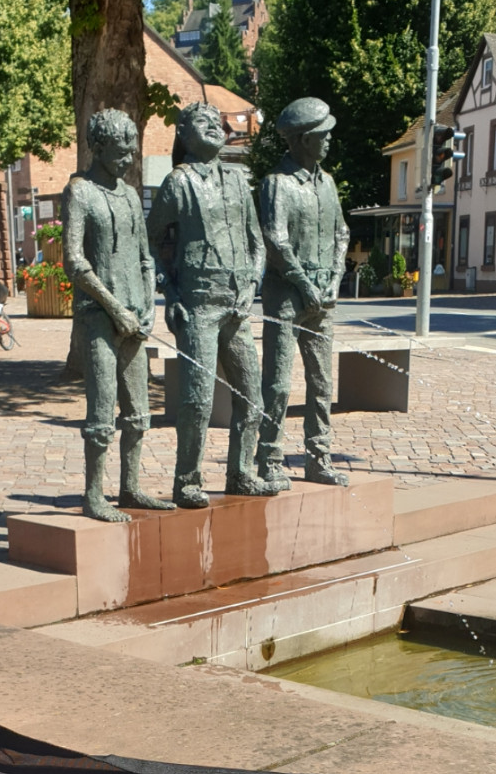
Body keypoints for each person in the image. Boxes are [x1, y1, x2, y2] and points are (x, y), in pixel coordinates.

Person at [147, 101, 273, 508]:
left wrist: (252, 282)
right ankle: (187, 481)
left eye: (217, 123)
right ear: (184, 135)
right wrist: (169, 291)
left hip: (237, 304)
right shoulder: (178, 183)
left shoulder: (238, 180)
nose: (215, 128)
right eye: (203, 123)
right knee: (197, 399)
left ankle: (241, 474)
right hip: (198, 303)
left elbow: (257, 242)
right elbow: (149, 241)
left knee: (252, 396)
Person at [62, 108, 173, 522]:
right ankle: (93, 495)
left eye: (132, 151)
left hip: (134, 317)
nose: (129, 159)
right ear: (98, 147)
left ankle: (131, 487)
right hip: (98, 317)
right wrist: (114, 308)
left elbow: (145, 257)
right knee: (101, 410)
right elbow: (74, 262)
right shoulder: (79, 192)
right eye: (121, 152)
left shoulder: (129, 194)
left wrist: (146, 307)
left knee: (139, 412)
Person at [257, 97, 350, 491]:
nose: (328, 140)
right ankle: (269, 459)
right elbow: (275, 240)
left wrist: (335, 278)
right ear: (301, 139)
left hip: (322, 295)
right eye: (321, 134)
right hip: (286, 296)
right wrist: (304, 284)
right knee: (278, 384)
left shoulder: (326, 183)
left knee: (322, 382)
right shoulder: (277, 184)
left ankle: (318, 458)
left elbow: (341, 233)